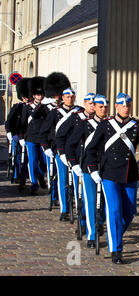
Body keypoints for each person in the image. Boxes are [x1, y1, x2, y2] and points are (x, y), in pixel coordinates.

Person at [85, 93, 139, 264]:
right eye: (122, 105)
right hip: (110, 174)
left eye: (128, 105)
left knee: (130, 212)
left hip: (129, 175)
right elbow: (91, 148)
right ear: (116, 106)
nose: (125, 107)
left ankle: (113, 235)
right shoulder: (106, 125)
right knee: (114, 210)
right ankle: (116, 249)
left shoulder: (137, 126)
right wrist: (92, 169)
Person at [66, 95, 109, 249]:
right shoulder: (85, 124)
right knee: (90, 202)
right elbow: (70, 145)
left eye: (105, 107)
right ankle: (91, 234)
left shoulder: (111, 124)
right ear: (94, 107)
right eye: (100, 106)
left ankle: (101, 223)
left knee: (105, 202)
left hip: (106, 168)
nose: (103, 110)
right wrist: (74, 163)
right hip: (88, 167)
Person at [40, 73, 78, 221]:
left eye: (72, 96)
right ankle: (64, 209)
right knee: (62, 179)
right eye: (67, 97)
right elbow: (44, 132)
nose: (70, 99)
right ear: (62, 97)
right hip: (60, 151)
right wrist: (46, 147)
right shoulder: (55, 113)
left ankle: (77, 204)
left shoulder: (79, 111)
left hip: (75, 151)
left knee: (76, 180)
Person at [55, 93, 95, 231]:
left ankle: (96, 221)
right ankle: (82, 220)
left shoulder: (102, 121)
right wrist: (63, 154)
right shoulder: (76, 117)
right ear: (85, 104)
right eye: (90, 103)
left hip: (95, 161)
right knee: (82, 194)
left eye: (94, 103)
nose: (92, 106)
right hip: (79, 158)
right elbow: (60, 135)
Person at [20, 77, 47, 195]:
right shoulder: (27, 107)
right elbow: (22, 123)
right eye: (37, 94)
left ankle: (40, 175)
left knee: (45, 162)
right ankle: (34, 182)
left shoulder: (46, 108)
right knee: (33, 160)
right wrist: (21, 137)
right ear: (34, 95)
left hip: (42, 138)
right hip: (31, 137)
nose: (39, 96)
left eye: (41, 94)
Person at [5, 78, 30, 189]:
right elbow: (9, 121)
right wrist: (9, 132)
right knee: (17, 156)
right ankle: (16, 174)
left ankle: (25, 174)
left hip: (27, 135)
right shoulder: (17, 107)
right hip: (16, 134)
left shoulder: (33, 108)